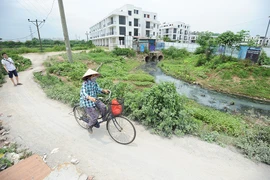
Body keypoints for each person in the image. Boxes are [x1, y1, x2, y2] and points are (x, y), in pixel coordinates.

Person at [80, 69, 109, 134]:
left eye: (95, 76)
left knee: (103, 107)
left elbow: (97, 89)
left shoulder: (94, 82)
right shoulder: (85, 84)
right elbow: (83, 93)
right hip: (87, 102)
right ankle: (89, 126)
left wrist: (103, 90)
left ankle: (104, 118)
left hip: (95, 99)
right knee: (94, 117)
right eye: (93, 76)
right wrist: (89, 97)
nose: (95, 77)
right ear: (89, 76)